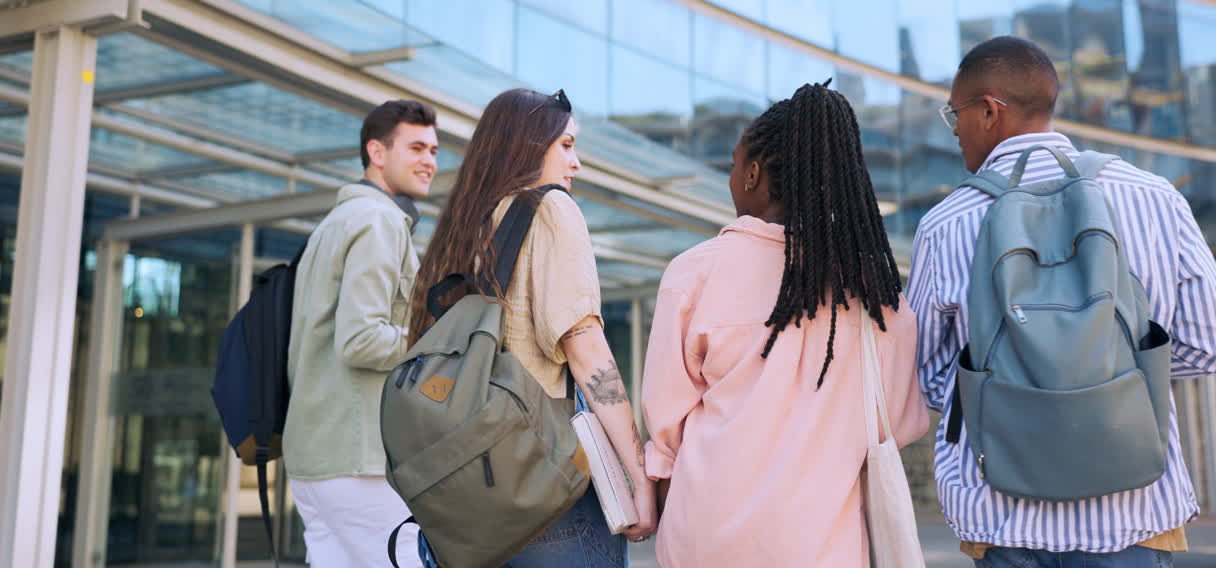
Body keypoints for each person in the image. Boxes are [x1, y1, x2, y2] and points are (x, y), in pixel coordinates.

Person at [908, 36, 1216, 567]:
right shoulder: (1154, 197)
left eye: (956, 116)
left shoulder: (945, 224)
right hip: (1133, 516)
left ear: (989, 111)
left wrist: (1018, 378)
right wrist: (1114, 372)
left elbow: (927, 377)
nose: (955, 133)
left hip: (1002, 518)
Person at [642, 82, 929, 567]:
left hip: (705, 540)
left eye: (734, 164)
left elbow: (667, 430)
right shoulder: (879, 299)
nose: (732, 177)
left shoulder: (695, 273)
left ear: (753, 174)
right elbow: (895, 424)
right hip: (824, 547)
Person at [409, 88, 657, 567]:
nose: (576, 163)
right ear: (525, 146)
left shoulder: (459, 230)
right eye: (566, 145)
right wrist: (639, 475)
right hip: (543, 489)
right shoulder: (550, 209)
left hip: (460, 502)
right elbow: (585, 347)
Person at [283, 100, 439, 568]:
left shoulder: (333, 225)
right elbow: (361, 339)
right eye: (415, 147)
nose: (429, 160)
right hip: (361, 458)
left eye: (433, 149)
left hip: (315, 459)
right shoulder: (378, 221)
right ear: (376, 151)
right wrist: (435, 342)